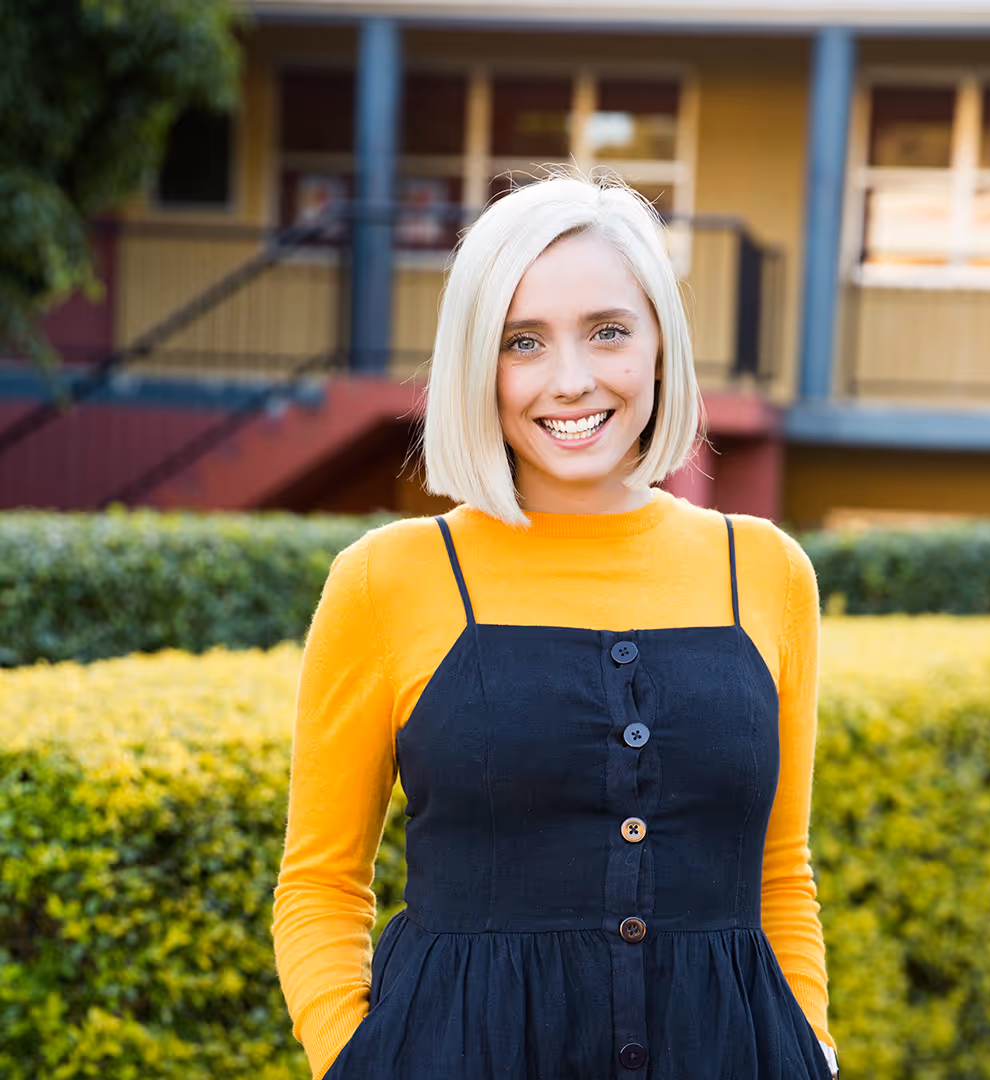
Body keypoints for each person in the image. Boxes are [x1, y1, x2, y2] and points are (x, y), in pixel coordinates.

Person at [272, 172, 839, 1080]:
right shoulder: (388, 579)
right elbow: (320, 883)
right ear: (476, 365)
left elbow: (781, 871)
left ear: (659, 344)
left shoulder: (765, 573)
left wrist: (811, 1043)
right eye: (522, 342)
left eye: (608, 331)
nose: (570, 380)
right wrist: (355, 1059)